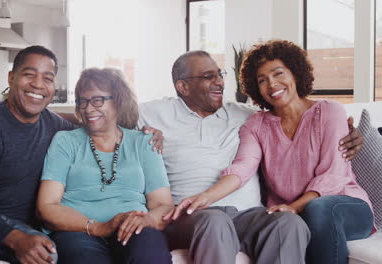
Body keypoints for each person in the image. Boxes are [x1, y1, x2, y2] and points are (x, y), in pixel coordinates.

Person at [0, 46, 163, 264]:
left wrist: (146, 132)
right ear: (11, 78)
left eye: (47, 78)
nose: (38, 85)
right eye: (29, 75)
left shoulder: (56, 127)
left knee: (49, 254)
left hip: (20, 224)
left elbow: (93, 124)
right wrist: (15, 238)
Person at [137, 50, 364, 264]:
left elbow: (327, 160)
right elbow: (242, 167)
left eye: (220, 74)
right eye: (209, 76)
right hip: (193, 216)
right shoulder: (153, 113)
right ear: (183, 86)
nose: (219, 82)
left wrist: (351, 132)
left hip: (249, 215)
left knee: (287, 223)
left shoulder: (245, 115)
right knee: (215, 221)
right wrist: (139, 135)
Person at [222, 39, 374, 264]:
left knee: (318, 209)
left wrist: (293, 207)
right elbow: (244, 165)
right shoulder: (256, 125)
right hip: (295, 214)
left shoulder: (329, 111)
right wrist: (208, 195)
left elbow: (333, 174)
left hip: (345, 206)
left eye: (278, 73)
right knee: (303, 218)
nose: (272, 84)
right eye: (262, 80)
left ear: (295, 73)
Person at [36, 68, 174, 264]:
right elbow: (47, 206)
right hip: (78, 230)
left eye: (97, 100)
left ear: (118, 101)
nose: (88, 108)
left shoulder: (144, 142)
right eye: (82, 101)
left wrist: (147, 220)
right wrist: (98, 226)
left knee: (150, 253)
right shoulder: (65, 141)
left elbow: (163, 205)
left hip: (132, 227)